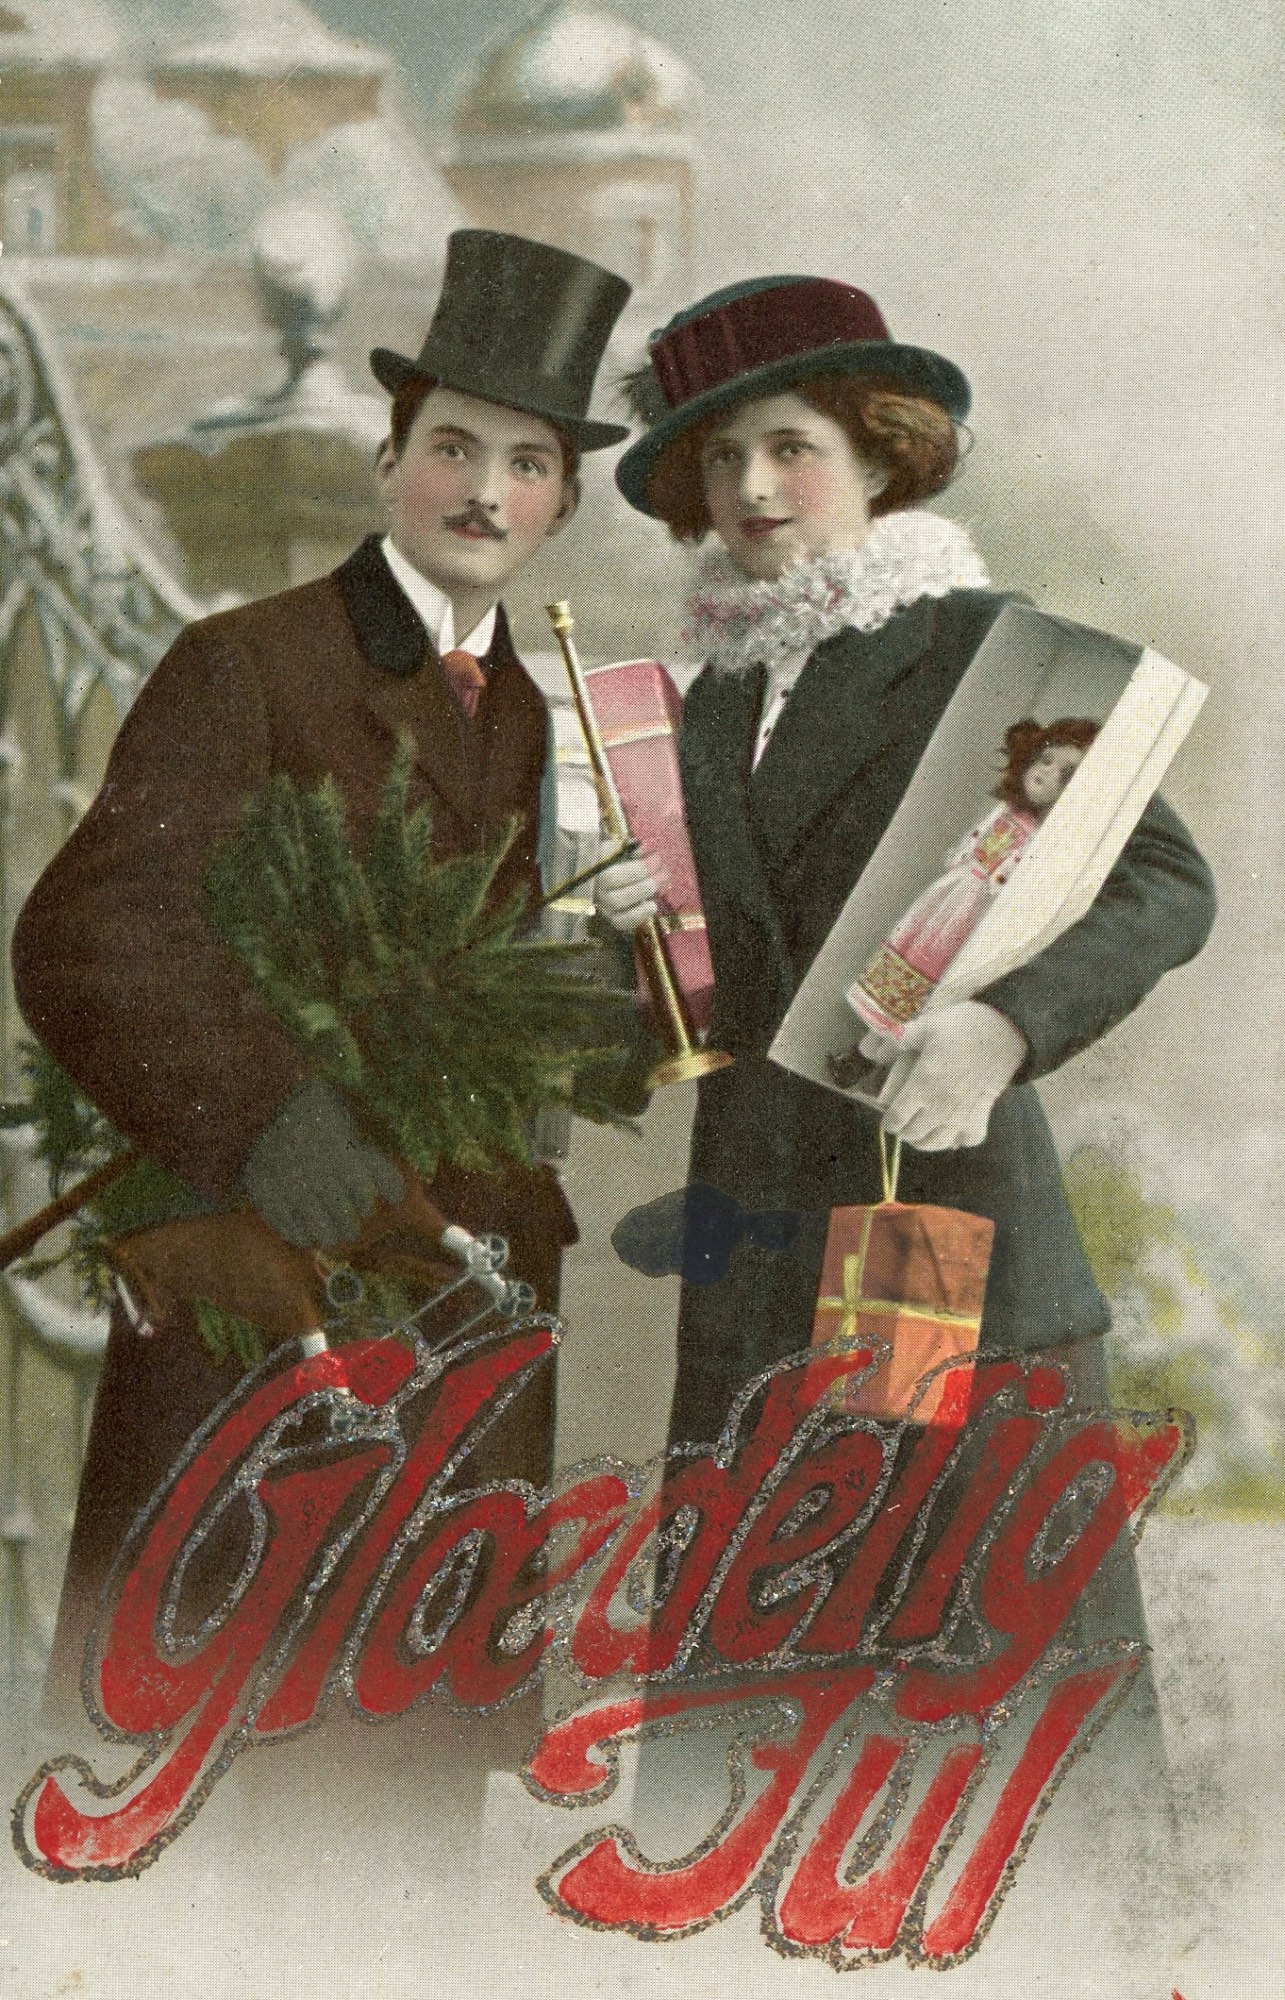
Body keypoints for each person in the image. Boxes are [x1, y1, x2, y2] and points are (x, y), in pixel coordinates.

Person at [12, 228, 632, 1718]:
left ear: (558, 502)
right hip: (269, 1295)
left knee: (399, 1771)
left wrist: (624, 963)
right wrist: (273, 1121)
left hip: (462, 1316)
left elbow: (518, 1005)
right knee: (224, 1748)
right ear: (389, 458)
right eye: (454, 447)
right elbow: (90, 934)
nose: (485, 491)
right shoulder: (252, 665)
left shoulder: (549, 723)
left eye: (528, 463)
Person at [596, 271, 1215, 1452]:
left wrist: (1005, 1029)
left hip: (940, 1219)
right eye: (722, 458)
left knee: (949, 1607)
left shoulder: (981, 648)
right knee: (774, 1614)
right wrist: (631, 935)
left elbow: (1167, 883)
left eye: (792, 446)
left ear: (880, 456)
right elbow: (729, 975)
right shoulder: (710, 695)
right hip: (760, 1254)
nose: (753, 486)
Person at [833, 714, 1099, 1062]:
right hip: (950, 897)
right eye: (1045, 760)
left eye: (1063, 776)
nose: (1047, 773)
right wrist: (961, 866)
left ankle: (869, 1060)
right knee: (910, 965)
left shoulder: (1040, 840)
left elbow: (1007, 884)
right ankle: (861, 1054)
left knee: (931, 986)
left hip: (974, 915)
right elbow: (970, 845)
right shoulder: (1007, 810)